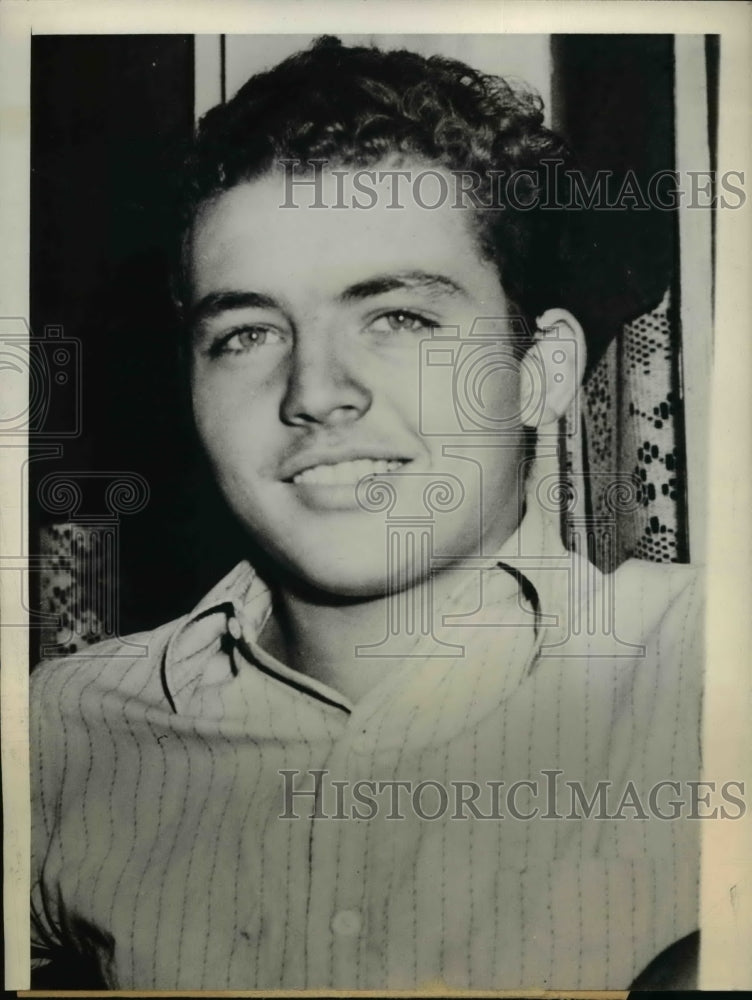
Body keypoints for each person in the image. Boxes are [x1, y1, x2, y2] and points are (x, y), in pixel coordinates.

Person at [30, 36, 703, 990]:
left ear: (540, 373)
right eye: (247, 332)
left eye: (398, 319)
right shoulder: (58, 735)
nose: (315, 392)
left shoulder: (708, 670)